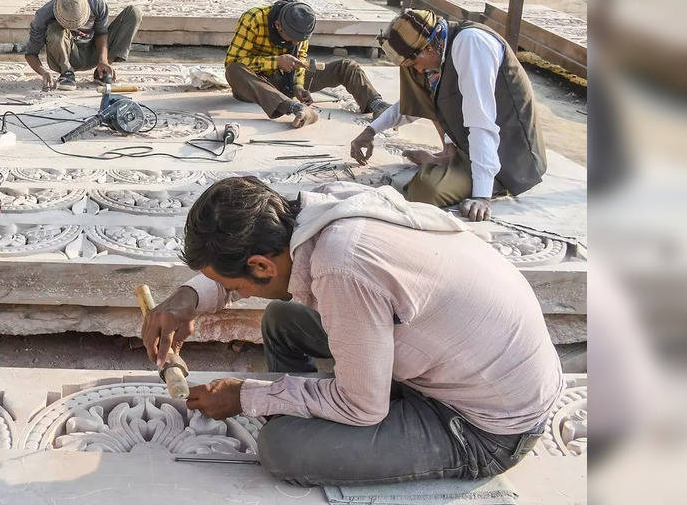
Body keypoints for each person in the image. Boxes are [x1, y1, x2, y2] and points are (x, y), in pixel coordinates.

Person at [141, 177, 564, 487]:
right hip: (458, 362)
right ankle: (303, 406)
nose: (235, 294)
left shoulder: (342, 268)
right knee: (283, 319)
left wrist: (245, 395)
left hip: (484, 425)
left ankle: (301, 415)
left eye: (235, 289)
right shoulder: (321, 210)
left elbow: (363, 406)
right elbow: (248, 268)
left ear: (262, 265)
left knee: (283, 448)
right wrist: (186, 298)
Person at [349, 9, 548, 221]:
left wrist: (482, 196)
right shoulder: (438, 48)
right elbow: (413, 103)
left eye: (416, 62)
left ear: (429, 48)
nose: (416, 70)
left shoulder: (472, 44)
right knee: (422, 184)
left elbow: (482, 122)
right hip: (470, 147)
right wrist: (370, 131)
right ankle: (451, 162)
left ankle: (494, 182)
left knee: (424, 191)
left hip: (508, 155)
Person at [224, 0, 391, 129]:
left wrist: (297, 86)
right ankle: (294, 107)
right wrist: (276, 62)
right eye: (292, 40)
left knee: (346, 66)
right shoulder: (253, 19)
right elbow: (232, 61)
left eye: (301, 40)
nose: (297, 43)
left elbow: (301, 59)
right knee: (234, 71)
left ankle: (377, 104)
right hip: (258, 83)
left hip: (287, 81)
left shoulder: (302, 22)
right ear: (277, 26)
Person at [23, 0, 142, 91]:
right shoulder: (43, 16)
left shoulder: (96, 3)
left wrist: (103, 60)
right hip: (67, 54)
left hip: (94, 50)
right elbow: (31, 54)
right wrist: (43, 72)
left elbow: (102, 33)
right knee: (54, 29)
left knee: (133, 13)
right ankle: (67, 73)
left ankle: (102, 71)